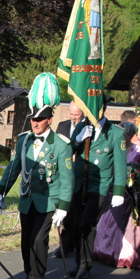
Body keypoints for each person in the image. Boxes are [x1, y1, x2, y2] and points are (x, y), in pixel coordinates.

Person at [0, 73, 73, 279]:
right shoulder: (24, 140)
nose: (35, 123)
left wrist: (64, 207)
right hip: (27, 199)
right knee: (26, 239)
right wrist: (1, 191)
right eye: (32, 120)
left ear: (49, 119)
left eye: (40, 120)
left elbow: (67, 179)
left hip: (49, 200)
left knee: (39, 239)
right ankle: (29, 275)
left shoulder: (61, 146)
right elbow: (13, 168)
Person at [70, 98, 128, 279]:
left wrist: (119, 191)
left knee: (87, 224)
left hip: (99, 185)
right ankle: (79, 261)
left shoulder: (115, 133)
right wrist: (77, 140)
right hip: (79, 182)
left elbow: (120, 164)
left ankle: (85, 265)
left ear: (103, 109)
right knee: (76, 223)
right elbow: (68, 150)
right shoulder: (81, 127)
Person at [92, 121, 140, 269]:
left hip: (130, 193)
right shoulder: (113, 148)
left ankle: (124, 254)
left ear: (131, 135)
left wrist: (133, 174)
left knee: (128, 223)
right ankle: (104, 251)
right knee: (106, 220)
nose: (121, 137)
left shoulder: (138, 150)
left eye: (125, 134)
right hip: (112, 189)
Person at [54, 102, 87, 264]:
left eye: (77, 114)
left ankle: (75, 244)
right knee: (66, 209)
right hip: (64, 173)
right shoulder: (63, 125)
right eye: (71, 114)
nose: (73, 117)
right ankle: (65, 245)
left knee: (77, 213)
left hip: (80, 174)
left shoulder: (87, 127)